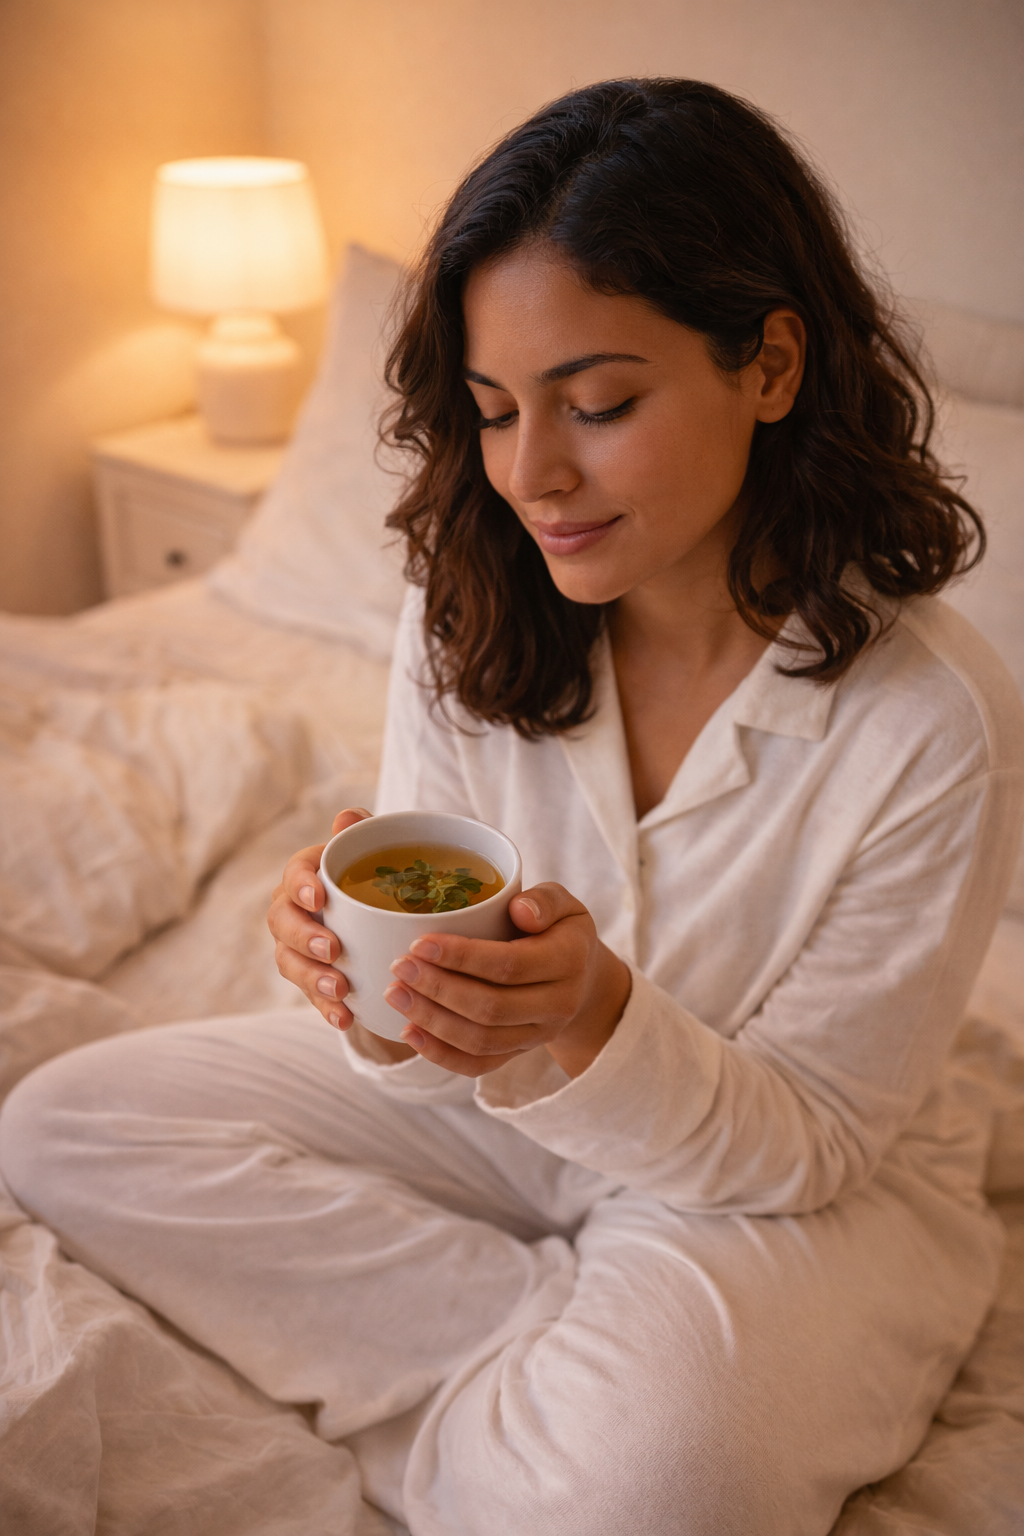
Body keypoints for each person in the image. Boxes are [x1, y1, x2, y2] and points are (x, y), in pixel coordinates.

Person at [3, 79, 1022, 1536]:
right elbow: (426, 1047)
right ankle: (545, 1352)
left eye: (599, 405)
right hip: (515, 1110)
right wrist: (372, 1005)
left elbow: (806, 1144)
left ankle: (576, 1408)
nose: (533, 475)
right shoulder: (470, 604)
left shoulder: (937, 722)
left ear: (774, 364)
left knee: (650, 1493)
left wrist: (591, 1016)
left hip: (776, 1182)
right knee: (63, 1125)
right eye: (492, 412)